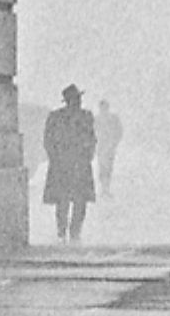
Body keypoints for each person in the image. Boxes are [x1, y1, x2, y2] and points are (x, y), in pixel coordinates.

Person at [42, 84, 96, 242]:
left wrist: (88, 155)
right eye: (75, 99)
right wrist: (54, 157)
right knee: (62, 200)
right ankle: (61, 231)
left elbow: (91, 138)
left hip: (79, 163)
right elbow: (48, 139)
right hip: (62, 164)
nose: (78, 101)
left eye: (79, 98)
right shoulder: (55, 117)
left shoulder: (86, 116)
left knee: (80, 201)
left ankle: (75, 232)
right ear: (68, 101)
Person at [94, 99, 124, 197]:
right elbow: (93, 132)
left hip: (110, 147)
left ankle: (106, 188)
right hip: (101, 147)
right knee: (103, 168)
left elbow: (119, 131)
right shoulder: (96, 119)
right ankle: (104, 188)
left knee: (109, 167)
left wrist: (114, 142)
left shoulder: (114, 119)